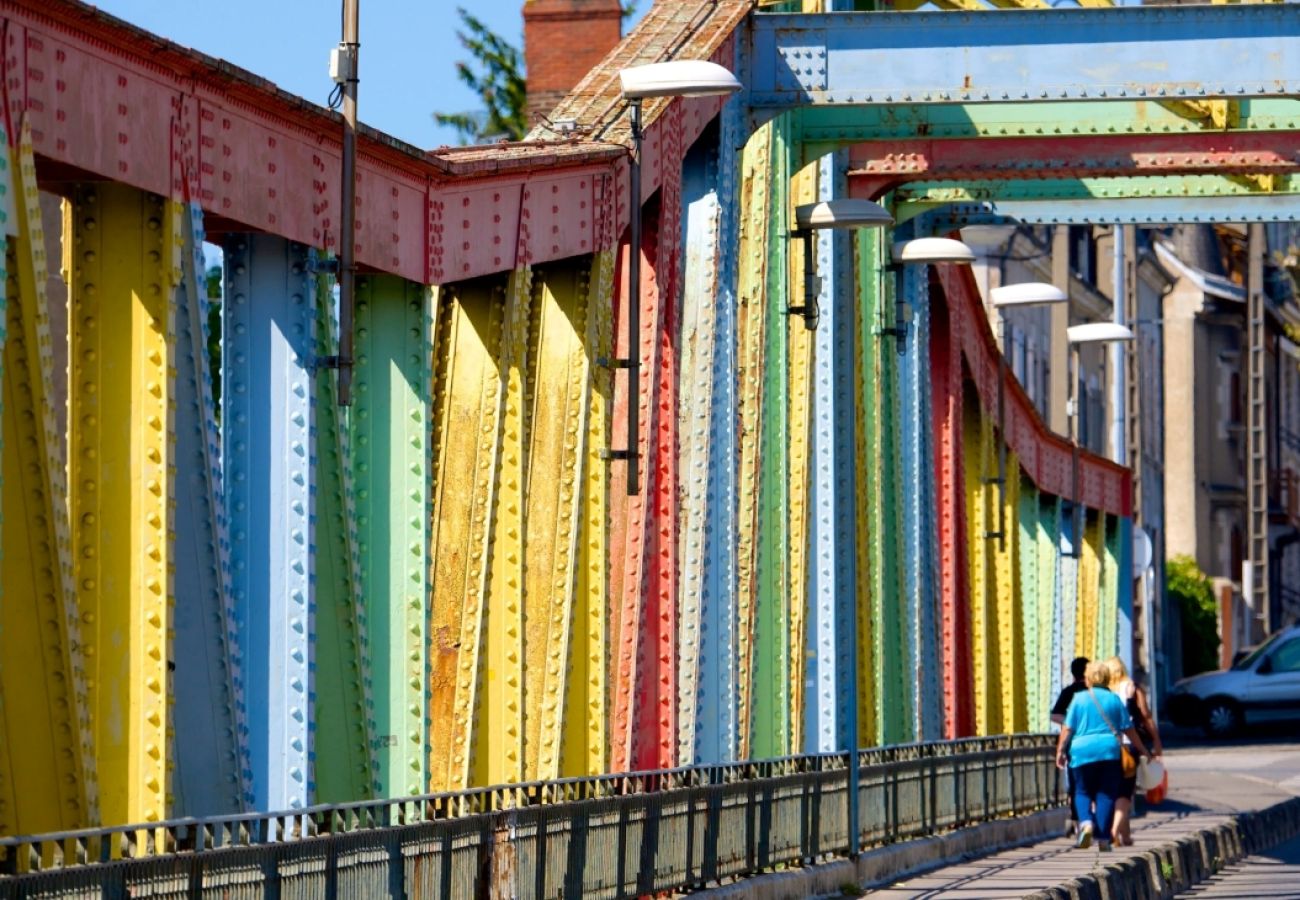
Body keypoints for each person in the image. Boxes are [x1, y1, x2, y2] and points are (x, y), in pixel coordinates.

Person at [1054, 661, 1152, 852]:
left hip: (1081, 752)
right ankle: (1104, 839)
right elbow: (1129, 730)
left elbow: (1067, 728)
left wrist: (1060, 751)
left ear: (1088, 678)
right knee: (1106, 794)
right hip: (1109, 752)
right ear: (1106, 678)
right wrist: (1143, 750)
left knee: (1081, 791)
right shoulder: (1114, 699)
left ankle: (1087, 824)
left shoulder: (1078, 699)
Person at [1104, 656, 1163, 847]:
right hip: (1129, 745)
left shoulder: (1101, 692)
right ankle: (1113, 831)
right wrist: (1155, 742)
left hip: (1105, 746)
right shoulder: (1132, 687)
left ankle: (1125, 837)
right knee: (1125, 792)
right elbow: (1145, 716)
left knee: (1113, 789)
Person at [1050, 657, 1091, 833]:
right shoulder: (1098, 692)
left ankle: (1079, 824)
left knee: (1078, 787)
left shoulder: (1069, 692)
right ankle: (1102, 833)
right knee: (1100, 789)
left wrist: (1071, 723)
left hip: (1076, 746)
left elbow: (1055, 716)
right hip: (1103, 749)